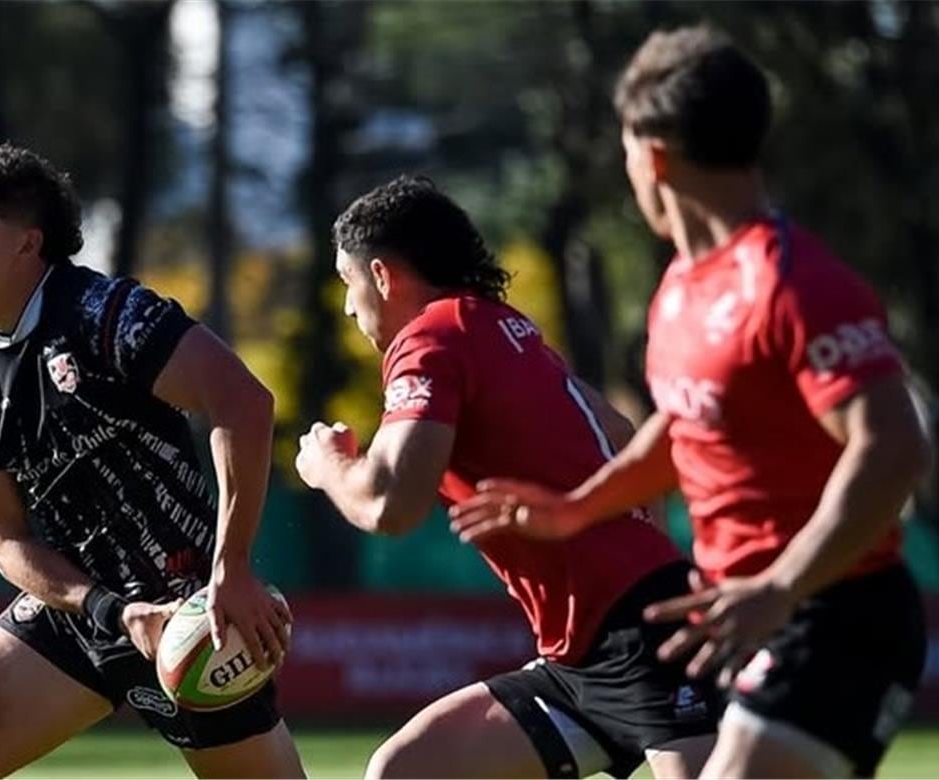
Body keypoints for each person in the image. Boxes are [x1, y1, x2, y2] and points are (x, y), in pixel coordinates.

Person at [450, 25, 932, 779]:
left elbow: (895, 447)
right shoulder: (682, 286)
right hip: (752, 616)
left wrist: (780, 586)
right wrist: (576, 509)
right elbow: (685, 429)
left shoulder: (794, 284)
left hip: (838, 612)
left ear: (653, 155)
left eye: (624, 150)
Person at [294, 175, 720, 780]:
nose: (348, 306)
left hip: (643, 635)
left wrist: (327, 466)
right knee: (406, 769)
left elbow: (390, 505)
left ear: (382, 276)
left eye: (348, 282)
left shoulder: (430, 338)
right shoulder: (501, 328)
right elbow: (621, 433)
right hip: (581, 657)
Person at [0, 144, 304, 779]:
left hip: (189, 616)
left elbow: (244, 402)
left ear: (27, 243)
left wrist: (231, 571)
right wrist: (109, 610)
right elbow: (5, 539)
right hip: (82, 612)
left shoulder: (106, 314)